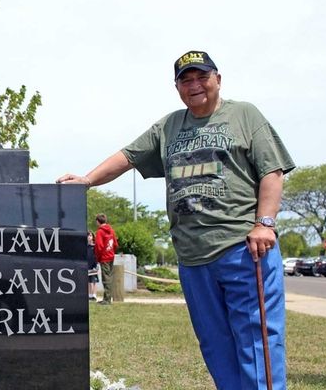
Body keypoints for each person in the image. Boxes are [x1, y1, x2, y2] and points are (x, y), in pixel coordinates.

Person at [58, 50, 294, 389]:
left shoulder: (245, 115)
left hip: (243, 250)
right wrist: (88, 180)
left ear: (218, 79)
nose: (195, 85)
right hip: (192, 258)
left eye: (202, 76)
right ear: (177, 87)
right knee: (215, 346)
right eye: (186, 79)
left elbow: (272, 171)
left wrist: (265, 223)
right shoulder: (169, 126)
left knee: (258, 343)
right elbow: (128, 156)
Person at [94, 214, 118, 304]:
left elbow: (98, 246)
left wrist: (98, 257)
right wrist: (112, 252)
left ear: (98, 221)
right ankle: (106, 298)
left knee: (106, 279)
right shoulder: (111, 230)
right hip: (111, 256)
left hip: (104, 258)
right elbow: (115, 244)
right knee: (109, 278)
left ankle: (107, 300)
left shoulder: (100, 232)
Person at [86, 231, 99, 301]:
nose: (89, 237)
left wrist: (96, 265)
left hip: (94, 266)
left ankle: (94, 295)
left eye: (90, 235)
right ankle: (89, 295)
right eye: (88, 235)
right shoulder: (85, 247)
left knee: (93, 281)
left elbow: (97, 257)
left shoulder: (95, 247)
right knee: (88, 281)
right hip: (87, 266)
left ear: (93, 237)